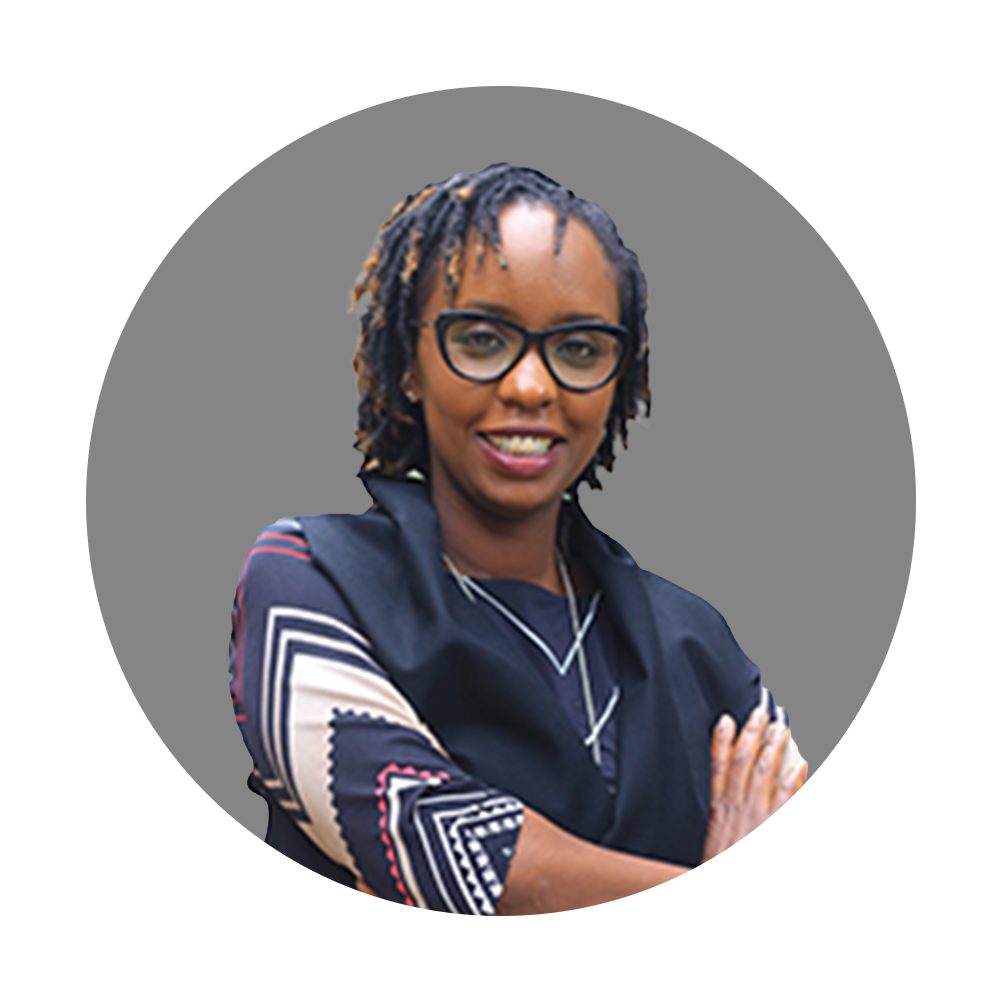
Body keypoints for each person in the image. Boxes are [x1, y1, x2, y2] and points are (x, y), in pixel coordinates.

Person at [229, 164, 808, 926]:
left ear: (618, 378)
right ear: (409, 363)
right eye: (481, 338)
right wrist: (734, 905)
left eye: (577, 349)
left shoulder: (701, 647)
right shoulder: (312, 581)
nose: (532, 386)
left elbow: (813, 903)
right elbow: (453, 858)